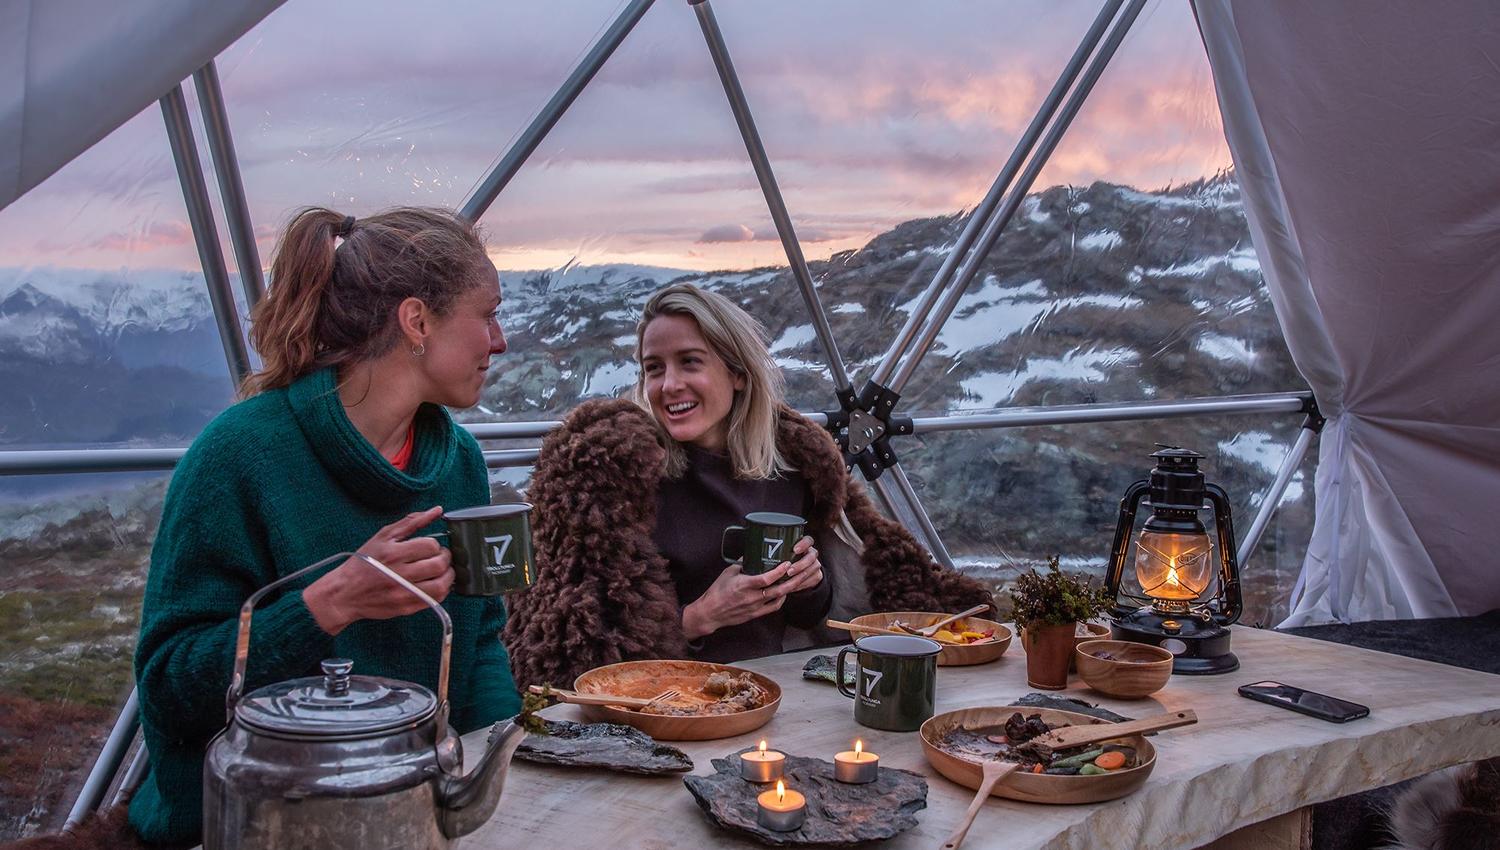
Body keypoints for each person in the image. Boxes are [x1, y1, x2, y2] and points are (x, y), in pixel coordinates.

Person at [124, 207, 520, 847]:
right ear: (417, 320)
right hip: (248, 825)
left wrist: (509, 778)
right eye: (488, 313)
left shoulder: (458, 464)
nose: (499, 340)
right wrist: (329, 603)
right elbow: (170, 690)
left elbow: (477, 644)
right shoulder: (240, 457)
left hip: (408, 816)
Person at [504, 283, 991, 688]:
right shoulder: (621, 477)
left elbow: (811, 617)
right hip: (666, 704)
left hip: (773, 694)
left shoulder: (792, 468)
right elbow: (569, 651)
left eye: (690, 362)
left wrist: (810, 582)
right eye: (655, 368)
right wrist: (698, 618)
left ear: (737, 373)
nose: (669, 385)